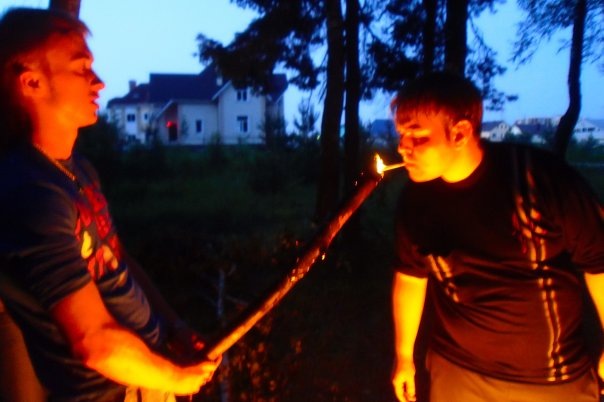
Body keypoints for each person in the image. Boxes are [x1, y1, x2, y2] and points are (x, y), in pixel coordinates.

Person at [0, 7, 220, 401]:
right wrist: (175, 379)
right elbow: (93, 342)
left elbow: (118, 260)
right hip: (111, 392)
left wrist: (173, 328)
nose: (99, 81)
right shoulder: (30, 194)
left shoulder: (78, 172)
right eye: (81, 68)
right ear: (32, 82)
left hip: (145, 372)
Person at [389, 71, 603, 402]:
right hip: (457, 372)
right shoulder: (417, 201)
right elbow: (411, 277)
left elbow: (599, 264)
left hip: (552, 381)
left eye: (417, 137)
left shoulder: (538, 180)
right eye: (402, 135)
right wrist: (404, 356)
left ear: (460, 133)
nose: (403, 148)